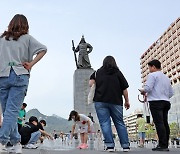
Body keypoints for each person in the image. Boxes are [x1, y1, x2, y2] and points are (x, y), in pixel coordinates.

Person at [0, 14, 47, 153]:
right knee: (11, 112)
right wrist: (31, 64)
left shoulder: (2, 39)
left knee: (8, 112)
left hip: (3, 76)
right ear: (25, 25)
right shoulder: (27, 38)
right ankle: (7, 141)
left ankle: (13, 143)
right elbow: (43, 49)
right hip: (20, 74)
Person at [89, 55, 130, 152]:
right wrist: (127, 101)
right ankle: (125, 146)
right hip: (116, 102)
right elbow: (125, 89)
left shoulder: (97, 72)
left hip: (100, 101)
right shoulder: (118, 73)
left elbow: (90, 84)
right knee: (119, 123)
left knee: (105, 123)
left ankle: (110, 146)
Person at [139, 59, 173, 151]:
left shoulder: (152, 75)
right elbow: (171, 93)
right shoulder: (166, 77)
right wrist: (164, 96)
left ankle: (162, 145)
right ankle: (165, 144)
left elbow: (148, 88)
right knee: (165, 123)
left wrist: (143, 91)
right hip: (166, 101)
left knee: (159, 123)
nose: (149, 69)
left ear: (153, 67)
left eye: (149, 67)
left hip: (156, 102)